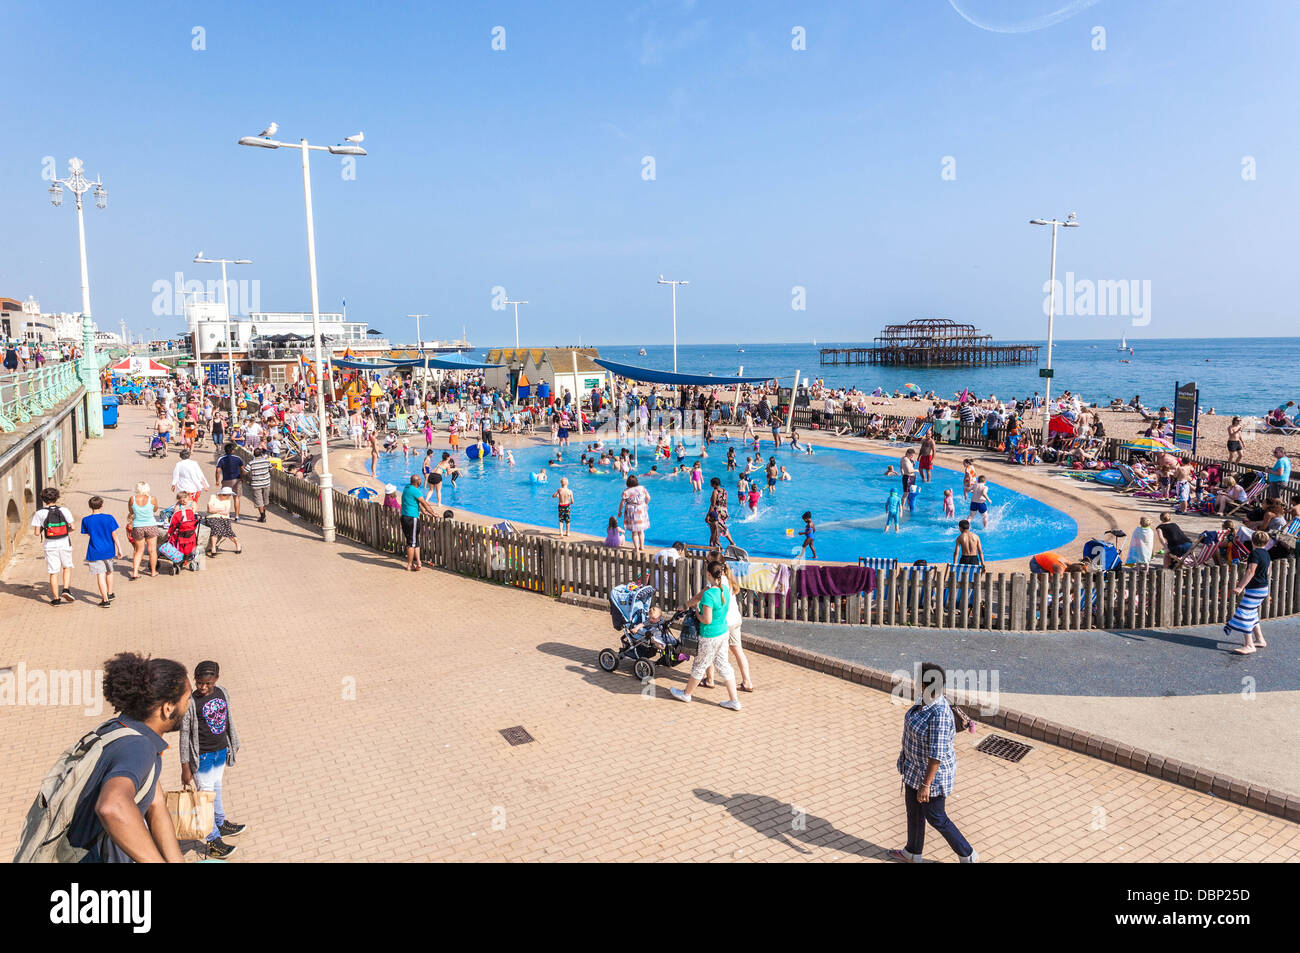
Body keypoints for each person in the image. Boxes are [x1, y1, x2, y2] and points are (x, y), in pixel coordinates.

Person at [53, 653, 191, 862]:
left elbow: (156, 803)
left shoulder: (125, 727)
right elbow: (112, 806)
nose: (189, 705)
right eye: (187, 698)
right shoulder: (139, 747)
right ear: (168, 707)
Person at [887, 663, 978, 863]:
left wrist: (925, 785)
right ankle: (912, 852)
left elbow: (936, 755)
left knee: (936, 816)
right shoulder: (925, 700)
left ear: (926, 684)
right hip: (913, 769)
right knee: (914, 812)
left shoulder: (939, 714)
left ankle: (968, 854)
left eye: (918, 679)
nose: (915, 682)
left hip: (932, 777)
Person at [178, 660, 246, 859]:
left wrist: (232, 744)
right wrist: (185, 766)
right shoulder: (190, 702)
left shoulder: (222, 692)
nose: (203, 687)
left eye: (208, 683)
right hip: (203, 758)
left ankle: (220, 823)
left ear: (216, 679)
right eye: (199, 683)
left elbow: (227, 720)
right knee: (204, 800)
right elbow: (184, 736)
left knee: (216, 790)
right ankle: (213, 841)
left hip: (220, 753)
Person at [670, 560, 742, 710]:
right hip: (723, 633)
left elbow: (707, 619)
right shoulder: (725, 590)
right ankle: (734, 700)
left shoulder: (709, 594)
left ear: (708, 574)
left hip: (709, 635)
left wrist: (697, 613)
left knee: (699, 665)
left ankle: (686, 693)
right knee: (724, 666)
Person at [1226, 531, 1271, 655]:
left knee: (1244, 613)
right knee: (1252, 614)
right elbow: (1267, 570)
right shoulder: (1266, 554)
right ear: (1267, 542)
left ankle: (1249, 645)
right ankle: (1260, 639)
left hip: (1255, 589)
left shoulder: (1254, 553)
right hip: (1263, 588)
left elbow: (1251, 570)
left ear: (1252, 541)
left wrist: (1240, 587)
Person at [31, 486, 76, 606]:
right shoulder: (65, 510)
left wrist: (46, 530)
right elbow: (73, 527)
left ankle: (56, 599)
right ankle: (66, 589)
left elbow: (36, 533)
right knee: (66, 567)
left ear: (43, 499)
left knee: (53, 572)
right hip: (65, 543)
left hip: (50, 545)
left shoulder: (39, 513)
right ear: (57, 497)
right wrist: (63, 532)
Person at [81, 495, 122, 608]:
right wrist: (119, 549)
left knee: (100, 574)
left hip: (94, 551)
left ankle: (105, 600)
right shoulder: (109, 518)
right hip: (109, 550)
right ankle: (110, 593)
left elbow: (89, 533)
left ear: (90, 506)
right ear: (102, 505)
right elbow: (115, 535)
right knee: (109, 572)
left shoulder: (86, 520)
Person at [400, 474, 437, 571]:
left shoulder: (407, 488)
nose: (421, 481)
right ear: (418, 482)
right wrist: (433, 513)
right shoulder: (415, 490)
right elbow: (424, 503)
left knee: (415, 541)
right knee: (411, 543)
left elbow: (417, 502)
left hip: (404, 516)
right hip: (412, 518)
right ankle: (409, 565)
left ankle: (419, 563)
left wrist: (423, 511)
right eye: (420, 480)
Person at [125, 482, 161, 579]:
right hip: (151, 525)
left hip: (138, 526)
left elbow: (131, 511)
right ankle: (153, 571)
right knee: (152, 550)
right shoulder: (152, 499)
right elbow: (155, 509)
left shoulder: (132, 499)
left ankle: (135, 573)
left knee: (138, 550)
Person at [618, 475, 651, 553]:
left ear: (628, 483)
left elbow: (622, 503)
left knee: (634, 531)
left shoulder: (626, 492)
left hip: (632, 511)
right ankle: (642, 547)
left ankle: (636, 548)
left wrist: (619, 511)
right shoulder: (642, 488)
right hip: (641, 509)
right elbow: (648, 497)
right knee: (641, 530)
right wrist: (646, 504)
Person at [205, 487, 241, 556]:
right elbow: (210, 510)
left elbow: (226, 512)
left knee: (228, 531)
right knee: (215, 528)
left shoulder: (228, 500)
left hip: (224, 518)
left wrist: (215, 510)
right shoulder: (213, 497)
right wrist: (221, 509)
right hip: (212, 517)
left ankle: (237, 544)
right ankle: (213, 548)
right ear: (224, 494)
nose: (230, 496)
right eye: (229, 495)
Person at [241, 447, 273, 523]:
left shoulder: (251, 463)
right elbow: (271, 469)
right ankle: (263, 513)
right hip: (266, 483)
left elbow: (245, 473)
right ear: (261, 454)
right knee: (265, 500)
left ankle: (262, 516)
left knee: (259, 501)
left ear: (254, 455)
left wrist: (242, 469)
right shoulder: (266, 461)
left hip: (256, 484)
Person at [214, 443, 243, 521]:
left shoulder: (221, 459)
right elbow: (242, 469)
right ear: (233, 451)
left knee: (226, 498)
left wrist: (217, 480)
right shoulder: (238, 458)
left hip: (226, 480)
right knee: (236, 498)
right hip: (237, 480)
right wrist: (242, 478)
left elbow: (218, 471)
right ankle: (237, 516)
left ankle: (227, 514)